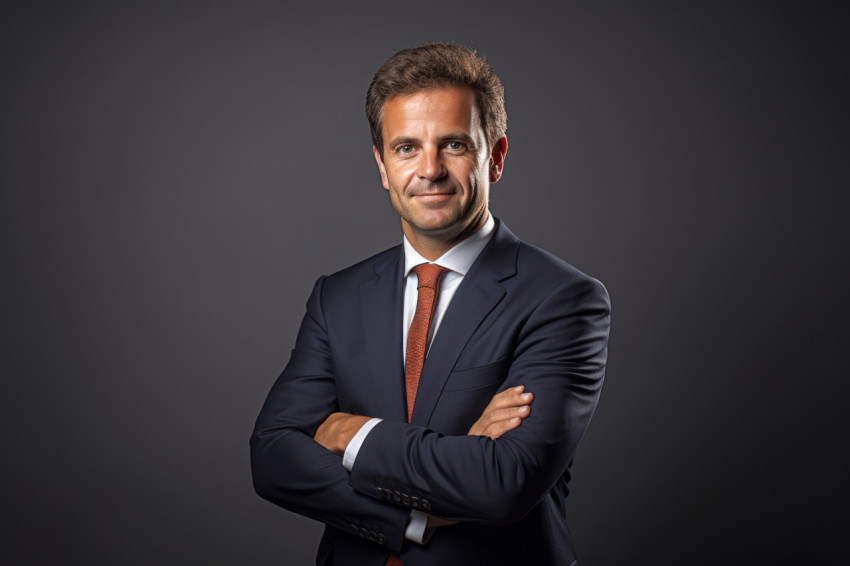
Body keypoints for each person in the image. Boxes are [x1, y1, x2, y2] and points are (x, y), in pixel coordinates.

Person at [251, 43, 610, 566]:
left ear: (496, 156)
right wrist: (416, 515)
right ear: (381, 165)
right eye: (406, 148)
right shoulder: (338, 296)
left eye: (454, 145)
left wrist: (350, 432)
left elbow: (502, 481)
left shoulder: (563, 299)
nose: (430, 169)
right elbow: (274, 458)